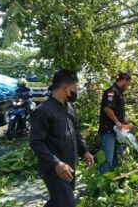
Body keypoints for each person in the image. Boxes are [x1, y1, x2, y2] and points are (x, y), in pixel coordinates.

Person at [29, 70, 94, 207]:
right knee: (67, 203)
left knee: (58, 201)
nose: (76, 91)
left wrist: (84, 151)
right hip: (54, 169)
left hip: (69, 166)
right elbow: (36, 142)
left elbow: (75, 130)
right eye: (74, 88)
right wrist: (56, 163)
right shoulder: (43, 111)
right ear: (65, 88)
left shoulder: (69, 106)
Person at [98, 72, 132, 174]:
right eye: (128, 83)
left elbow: (118, 112)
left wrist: (126, 125)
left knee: (118, 159)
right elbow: (107, 109)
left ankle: (114, 184)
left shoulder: (119, 93)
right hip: (108, 131)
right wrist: (118, 123)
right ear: (124, 80)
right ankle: (102, 186)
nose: (128, 85)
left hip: (117, 132)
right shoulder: (111, 92)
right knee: (107, 161)